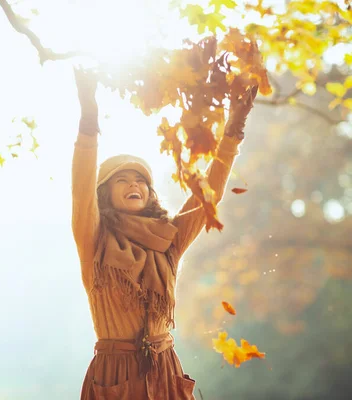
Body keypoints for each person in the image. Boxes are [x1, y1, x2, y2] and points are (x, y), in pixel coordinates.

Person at [72, 68, 257, 400]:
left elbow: (207, 197)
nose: (134, 185)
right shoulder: (94, 239)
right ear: (105, 193)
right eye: (122, 180)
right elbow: (81, 191)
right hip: (115, 373)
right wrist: (89, 121)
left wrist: (233, 132)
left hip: (166, 369)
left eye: (141, 180)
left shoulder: (167, 239)